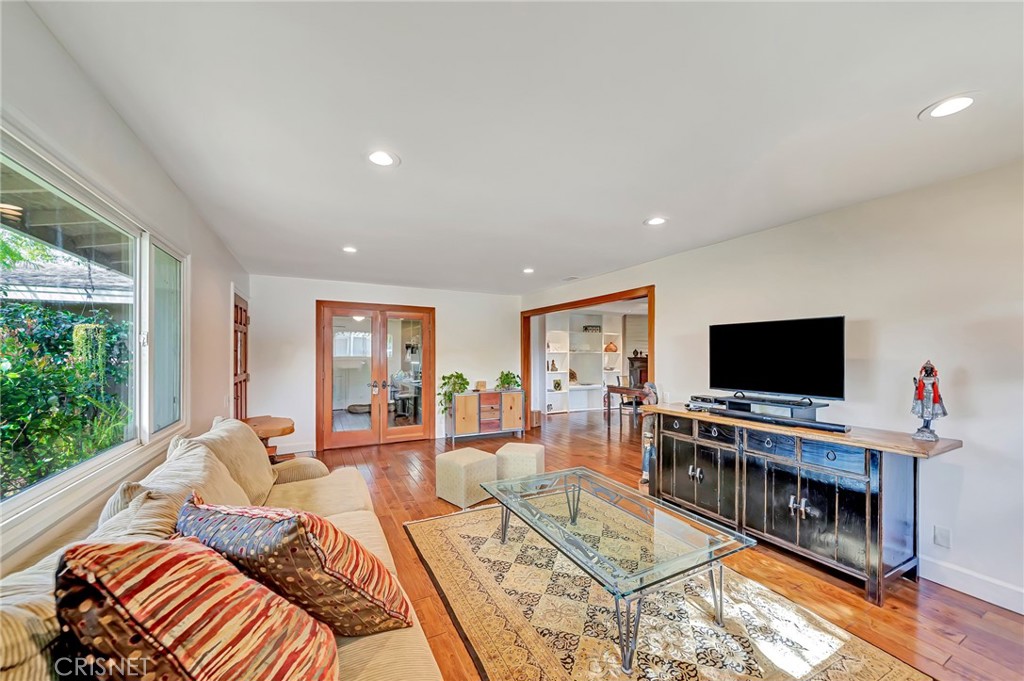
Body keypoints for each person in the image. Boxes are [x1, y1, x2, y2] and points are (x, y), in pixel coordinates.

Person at [638, 382, 658, 484]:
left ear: (650, 389)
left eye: (645, 388)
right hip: (647, 425)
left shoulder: (652, 398)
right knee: (648, 447)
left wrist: (645, 413)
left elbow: (653, 410)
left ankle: (646, 473)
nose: (643, 389)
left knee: (647, 447)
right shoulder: (648, 397)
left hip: (648, 426)